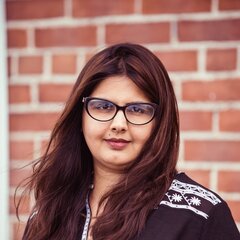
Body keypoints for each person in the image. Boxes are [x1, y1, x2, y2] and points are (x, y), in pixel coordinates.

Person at [18, 43, 240, 240]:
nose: (119, 124)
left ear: (160, 121)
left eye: (137, 110)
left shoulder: (199, 215)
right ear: (81, 115)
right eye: (103, 106)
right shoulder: (49, 214)